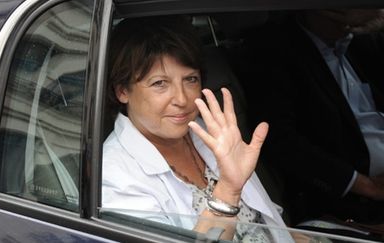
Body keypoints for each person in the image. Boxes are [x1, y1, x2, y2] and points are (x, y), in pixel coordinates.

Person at [101, 16, 294, 242]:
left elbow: (264, 217)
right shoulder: (115, 176)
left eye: (190, 79)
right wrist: (227, 191)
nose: (182, 99)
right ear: (122, 91)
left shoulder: (207, 130)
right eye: (159, 84)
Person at [242, 9, 384, 226]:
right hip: (352, 202)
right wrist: (365, 185)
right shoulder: (275, 51)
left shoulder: (363, 39)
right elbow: (282, 141)